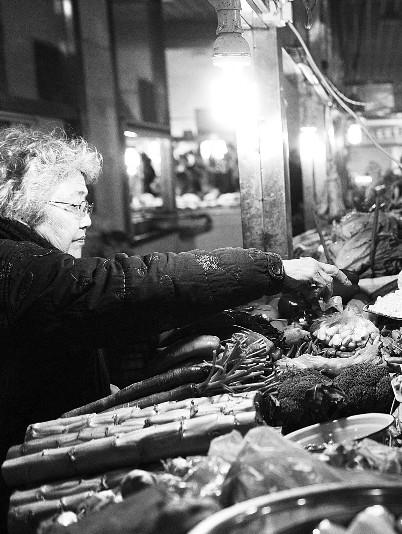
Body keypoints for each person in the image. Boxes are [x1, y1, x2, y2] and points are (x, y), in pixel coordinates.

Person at [0, 126, 351, 529]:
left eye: (87, 205)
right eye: (76, 206)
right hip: (25, 498)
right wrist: (271, 270)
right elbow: (122, 287)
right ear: (25, 203)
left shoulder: (27, 268)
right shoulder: (15, 267)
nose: (88, 220)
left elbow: (93, 322)